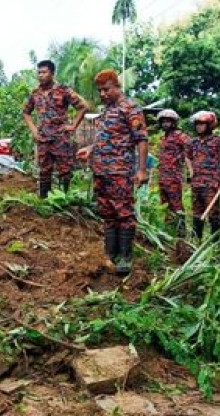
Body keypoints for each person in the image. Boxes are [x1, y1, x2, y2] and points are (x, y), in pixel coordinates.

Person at [76, 69, 148, 275]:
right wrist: (89, 149)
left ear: (116, 86)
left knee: (123, 213)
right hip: (101, 171)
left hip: (120, 171)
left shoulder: (130, 108)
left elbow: (141, 140)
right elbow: (104, 138)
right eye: (100, 91)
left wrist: (141, 170)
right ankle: (110, 253)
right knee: (108, 213)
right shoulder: (106, 111)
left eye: (106, 90)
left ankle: (125, 256)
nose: (103, 94)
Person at [22, 60, 89, 198]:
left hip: (60, 138)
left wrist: (73, 126)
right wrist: (34, 130)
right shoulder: (35, 93)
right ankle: (44, 201)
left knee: (65, 170)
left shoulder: (63, 90)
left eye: (44, 72)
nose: (41, 75)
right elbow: (26, 112)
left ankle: (65, 199)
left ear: (52, 73)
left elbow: (83, 107)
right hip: (43, 139)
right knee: (44, 171)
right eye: (39, 72)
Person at [185, 110, 220, 241]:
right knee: (197, 213)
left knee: (213, 214)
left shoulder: (219, 141)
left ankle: (216, 243)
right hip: (196, 183)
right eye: (197, 124)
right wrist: (190, 170)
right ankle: (196, 242)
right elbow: (187, 156)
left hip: (212, 183)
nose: (198, 126)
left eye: (202, 124)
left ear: (209, 125)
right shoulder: (193, 142)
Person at [156, 108, 192, 237]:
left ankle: (182, 232)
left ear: (174, 122)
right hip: (162, 176)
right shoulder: (163, 138)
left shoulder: (180, 136)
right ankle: (169, 230)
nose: (165, 124)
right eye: (163, 121)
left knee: (176, 203)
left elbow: (191, 150)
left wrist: (187, 167)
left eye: (168, 121)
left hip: (173, 176)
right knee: (165, 204)